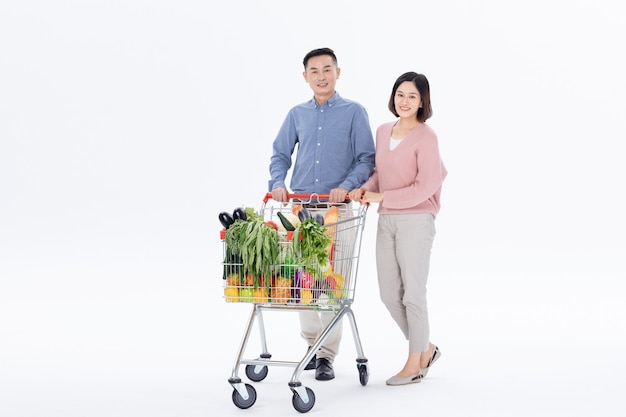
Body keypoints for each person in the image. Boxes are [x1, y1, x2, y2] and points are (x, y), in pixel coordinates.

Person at [268, 47, 375, 381]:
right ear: (305, 77)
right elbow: (279, 154)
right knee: (302, 281)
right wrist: (277, 183)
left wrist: (345, 186)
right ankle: (312, 347)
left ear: (338, 72)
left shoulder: (354, 112)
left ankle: (326, 355)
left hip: (337, 210)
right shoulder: (296, 114)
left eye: (327, 69)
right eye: (314, 71)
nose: (321, 76)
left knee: (331, 283)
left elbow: (366, 158)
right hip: (300, 208)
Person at [349, 71, 447, 386]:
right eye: (400, 94)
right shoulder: (382, 131)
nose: (404, 101)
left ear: (422, 102)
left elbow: (424, 186)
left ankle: (414, 363)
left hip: (417, 220)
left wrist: (381, 196)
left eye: (412, 97)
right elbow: (382, 173)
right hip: (387, 218)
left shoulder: (426, 137)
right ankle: (426, 348)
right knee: (390, 294)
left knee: (414, 295)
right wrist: (366, 190)